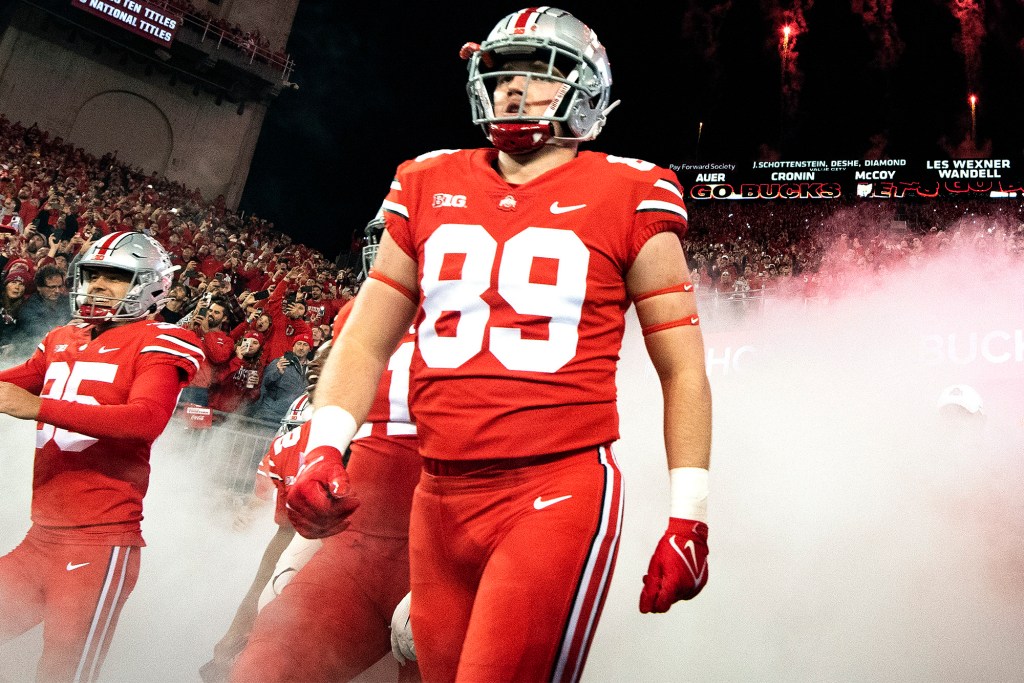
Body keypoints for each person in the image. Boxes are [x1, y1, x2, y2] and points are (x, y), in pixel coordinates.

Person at [286, 8, 713, 682]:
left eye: (540, 72)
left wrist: (689, 517)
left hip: (555, 488)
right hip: (439, 494)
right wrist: (323, 444)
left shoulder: (634, 191)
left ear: (589, 89)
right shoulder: (424, 180)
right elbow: (365, 338)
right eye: (502, 71)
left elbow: (682, 370)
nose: (514, 88)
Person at [0, 231, 203, 682]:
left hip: (99, 542)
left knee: (60, 675)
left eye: (115, 277)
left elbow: (145, 419)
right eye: (93, 275)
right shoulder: (61, 338)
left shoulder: (161, 340)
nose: (97, 287)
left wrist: (37, 407)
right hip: (39, 539)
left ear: (151, 285)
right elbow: (9, 384)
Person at [227, 282, 421, 682]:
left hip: (448, 544)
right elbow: (284, 533)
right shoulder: (313, 429)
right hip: (354, 552)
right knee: (268, 645)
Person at [249, 333, 312, 425]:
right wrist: (278, 373)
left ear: (310, 349)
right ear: (293, 346)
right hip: (269, 415)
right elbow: (264, 383)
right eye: (298, 344)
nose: (301, 347)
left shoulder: (311, 369)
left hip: (291, 419)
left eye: (305, 344)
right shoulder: (280, 362)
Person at [9, 264, 73, 353]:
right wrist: (68, 328)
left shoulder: (67, 301)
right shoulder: (28, 308)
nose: (57, 291)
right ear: (39, 287)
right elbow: (40, 334)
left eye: (60, 286)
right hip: (32, 352)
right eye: (52, 287)